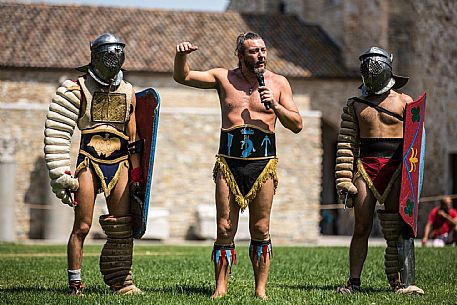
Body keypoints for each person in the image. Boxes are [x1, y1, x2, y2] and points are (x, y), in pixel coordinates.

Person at [173, 32, 302, 299]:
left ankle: (260, 290)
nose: (261, 55)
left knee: (261, 227)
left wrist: (275, 106)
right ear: (240, 55)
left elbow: (297, 124)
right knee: (224, 226)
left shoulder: (279, 83)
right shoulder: (223, 78)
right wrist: (181, 56)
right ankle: (220, 288)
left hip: (263, 163)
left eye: (263, 50)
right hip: (228, 162)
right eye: (254, 51)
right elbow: (182, 77)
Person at [44, 33, 144, 295]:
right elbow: (58, 132)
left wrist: (136, 172)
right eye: (109, 54)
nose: (113, 59)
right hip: (88, 160)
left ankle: (121, 281)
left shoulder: (129, 92)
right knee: (83, 225)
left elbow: (133, 137)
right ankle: (75, 282)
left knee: (122, 225)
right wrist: (61, 173)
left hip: (119, 161)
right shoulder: (79, 89)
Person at [335, 47, 424, 295]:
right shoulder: (355, 105)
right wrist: (344, 179)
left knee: (397, 227)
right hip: (366, 167)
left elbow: (416, 141)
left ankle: (400, 282)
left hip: (397, 168)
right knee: (361, 227)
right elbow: (346, 144)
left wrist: (412, 177)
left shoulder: (407, 103)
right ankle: (353, 282)